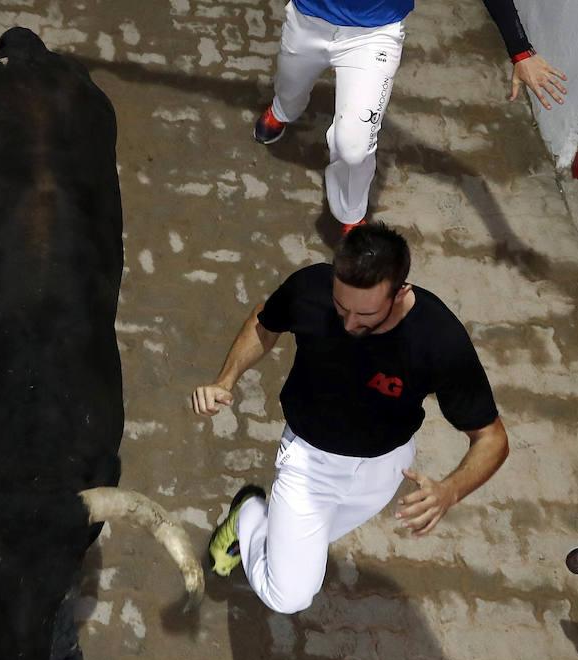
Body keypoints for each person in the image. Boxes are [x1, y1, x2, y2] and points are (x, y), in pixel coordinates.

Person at [190, 222, 508, 615]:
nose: (349, 325)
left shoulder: (438, 339)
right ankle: (249, 515)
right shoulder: (310, 288)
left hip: (384, 470)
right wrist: (226, 379)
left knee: (307, 545)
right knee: (288, 595)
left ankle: (272, 531)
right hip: (310, 463)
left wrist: (450, 491)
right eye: (341, 308)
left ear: (401, 292)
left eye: (366, 314)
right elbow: (264, 322)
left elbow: (491, 438)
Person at [254, 0, 568, 234]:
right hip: (307, 21)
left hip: (374, 37)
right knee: (290, 88)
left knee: (354, 146)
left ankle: (350, 213)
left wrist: (520, 50)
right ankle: (283, 110)